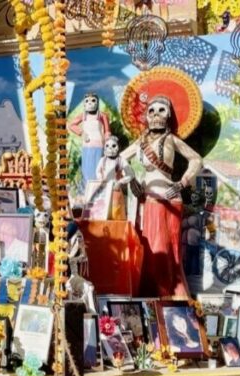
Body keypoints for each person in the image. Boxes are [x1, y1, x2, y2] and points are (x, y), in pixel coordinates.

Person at [120, 95, 203, 298]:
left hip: (169, 199)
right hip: (149, 199)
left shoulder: (171, 140)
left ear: (169, 116)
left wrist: (182, 183)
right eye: (152, 111)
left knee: (167, 251)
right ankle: (153, 297)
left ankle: (168, 296)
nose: (156, 115)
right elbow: (121, 158)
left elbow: (196, 159)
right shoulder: (141, 142)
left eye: (161, 110)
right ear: (146, 117)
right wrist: (132, 181)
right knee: (150, 249)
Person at [68, 93, 111, 189]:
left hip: (99, 146)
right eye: (87, 101)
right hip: (87, 146)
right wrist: (82, 133)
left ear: (97, 102)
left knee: (98, 168)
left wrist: (108, 144)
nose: (90, 103)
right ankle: (85, 191)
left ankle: (98, 190)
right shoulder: (83, 116)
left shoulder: (102, 115)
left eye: (93, 100)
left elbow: (107, 131)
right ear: (84, 104)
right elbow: (71, 125)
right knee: (87, 169)